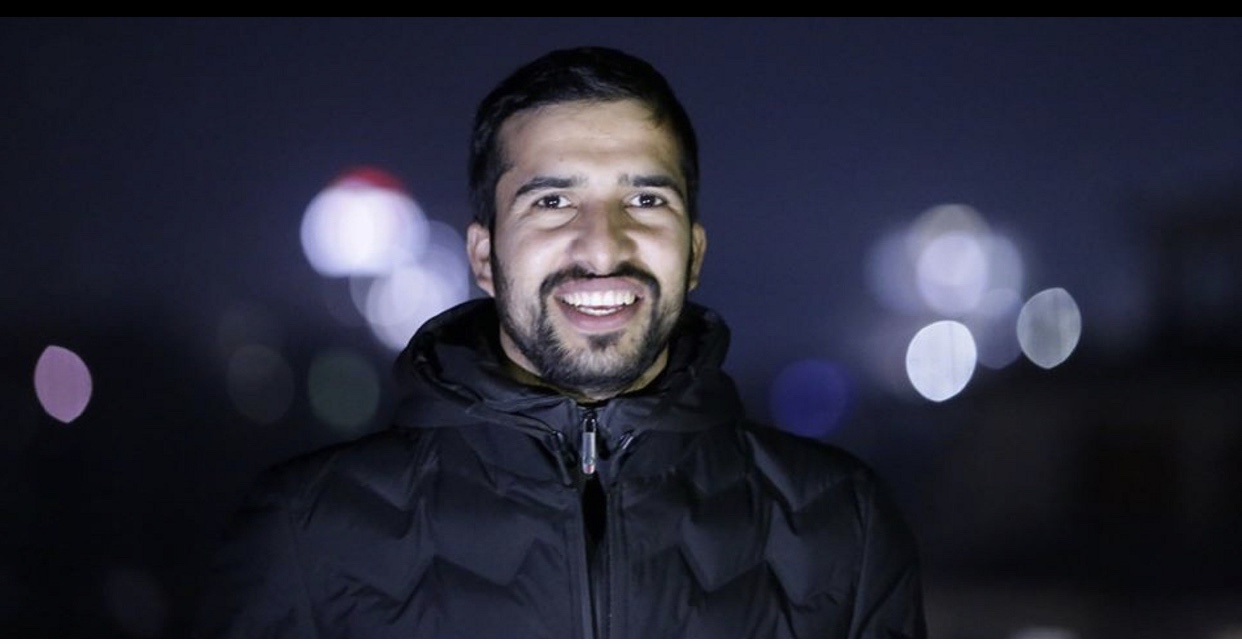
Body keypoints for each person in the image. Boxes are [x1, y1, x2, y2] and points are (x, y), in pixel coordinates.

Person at [193, 45, 927, 638]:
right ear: (484, 256)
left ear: (695, 252)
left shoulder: (844, 525)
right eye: (552, 201)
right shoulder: (305, 530)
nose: (602, 247)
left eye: (645, 199)